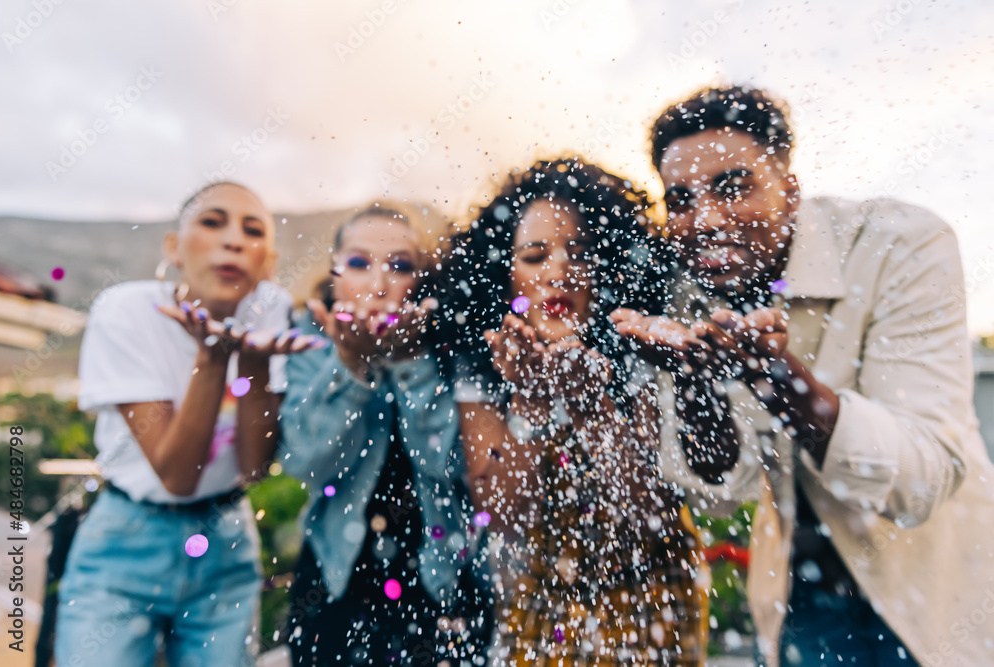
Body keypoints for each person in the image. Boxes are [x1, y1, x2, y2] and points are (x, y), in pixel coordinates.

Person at [614, 85, 994, 666]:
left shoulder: (900, 243)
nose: (705, 219)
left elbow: (924, 477)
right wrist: (695, 381)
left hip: (939, 587)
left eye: (733, 186)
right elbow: (720, 494)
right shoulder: (688, 296)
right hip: (800, 595)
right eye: (682, 198)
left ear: (790, 191)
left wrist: (779, 380)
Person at [442, 158, 724, 665]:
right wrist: (529, 400)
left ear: (610, 267)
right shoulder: (485, 356)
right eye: (534, 255)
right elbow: (507, 514)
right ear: (502, 273)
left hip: (652, 590)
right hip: (540, 591)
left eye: (580, 252)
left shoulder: (639, 339)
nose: (558, 270)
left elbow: (643, 518)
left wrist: (588, 403)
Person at [56, 182, 320, 666]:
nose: (234, 240)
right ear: (174, 249)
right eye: (212, 221)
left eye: (253, 230)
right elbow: (177, 476)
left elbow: (253, 467)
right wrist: (214, 358)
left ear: (269, 262)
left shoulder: (272, 311)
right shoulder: (127, 312)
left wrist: (256, 365)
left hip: (226, 541)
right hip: (126, 540)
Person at [278, 203, 492, 666]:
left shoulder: (449, 340)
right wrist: (350, 365)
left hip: (440, 583)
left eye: (399, 265)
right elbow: (306, 460)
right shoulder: (308, 336)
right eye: (358, 263)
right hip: (334, 580)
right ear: (334, 274)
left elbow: (452, 466)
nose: (379, 284)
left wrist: (412, 361)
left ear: (422, 278)